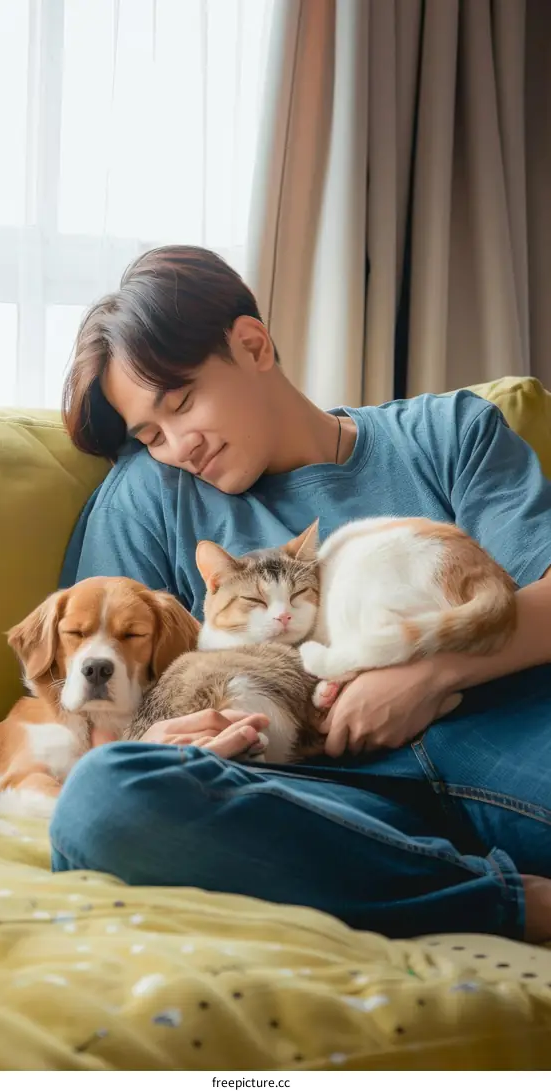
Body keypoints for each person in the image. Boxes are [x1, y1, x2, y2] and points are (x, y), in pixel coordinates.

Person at [51, 245, 551, 942]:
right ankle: (509, 902)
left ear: (252, 344)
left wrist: (425, 676)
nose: (177, 445)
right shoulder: (147, 493)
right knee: (100, 803)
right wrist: (160, 739)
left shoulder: (448, 433)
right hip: (306, 789)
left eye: (182, 401)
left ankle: (420, 884)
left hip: (500, 725)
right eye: (150, 433)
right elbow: (94, 703)